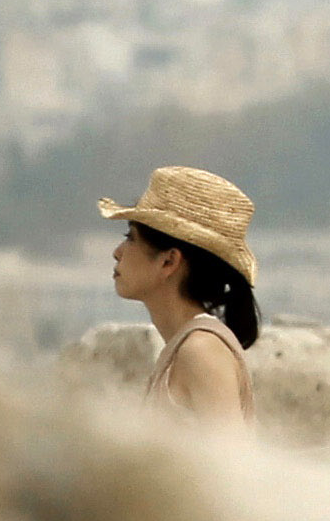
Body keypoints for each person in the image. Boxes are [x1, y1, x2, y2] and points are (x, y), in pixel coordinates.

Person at [97, 164, 259, 431]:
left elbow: (231, 466)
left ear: (169, 261)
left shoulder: (201, 351)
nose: (118, 252)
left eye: (131, 237)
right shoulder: (184, 347)